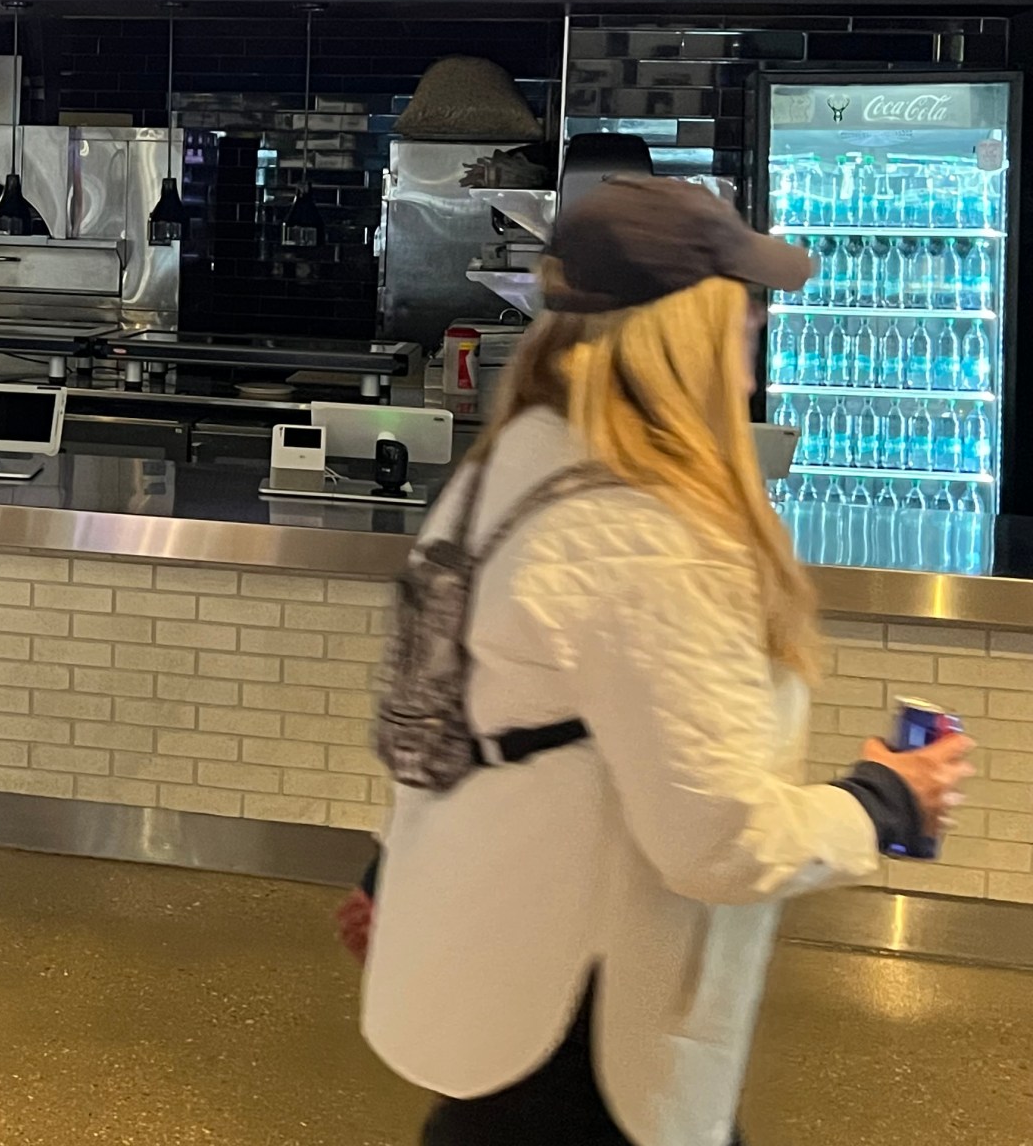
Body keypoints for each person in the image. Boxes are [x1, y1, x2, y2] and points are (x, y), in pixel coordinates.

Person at [352, 176, 975, 1146]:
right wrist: (885, 801)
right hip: (589, 1020)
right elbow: (715, 841)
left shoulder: (508, 467)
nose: (753, 350)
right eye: (743, 320)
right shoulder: (650, 533)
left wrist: (390, 866)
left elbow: (458, 707)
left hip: (490, 960)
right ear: (682, 334)